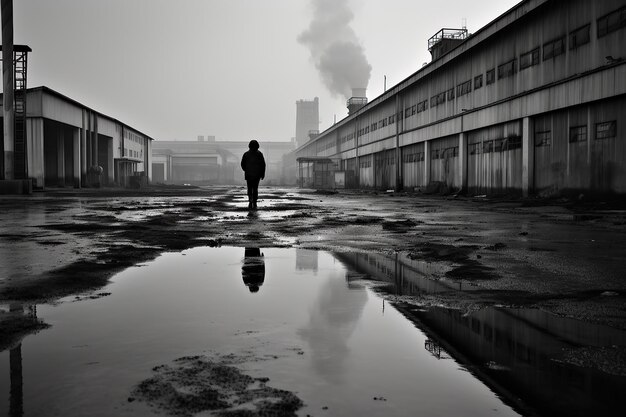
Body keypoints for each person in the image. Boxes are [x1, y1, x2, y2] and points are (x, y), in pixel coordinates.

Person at [240, 140, 266, 210]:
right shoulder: (259, 154)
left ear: (249, 146)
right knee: (255, 188)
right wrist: (262, 173)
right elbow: (263, 165)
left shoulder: (246, 154)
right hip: (257, 175)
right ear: (257, 146)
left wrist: (246, 170)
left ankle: (250, 200)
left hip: (248, 174)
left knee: (249, 188)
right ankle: (254, 201)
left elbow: (242, 164)